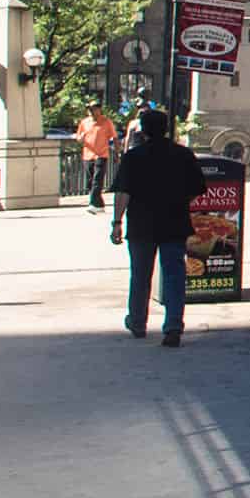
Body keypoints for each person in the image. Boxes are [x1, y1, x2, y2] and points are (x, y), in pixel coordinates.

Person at [107, 108, 208, 347]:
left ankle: (138, 322)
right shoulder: (183, 155)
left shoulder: (133, 157)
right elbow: (197, 189)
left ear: (142, 130)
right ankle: (173, 325)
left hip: (141, 224)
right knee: (174, 274)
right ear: (167, 128)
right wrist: (181, 203)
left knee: (140, 275)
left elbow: (123, 192)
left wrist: (117, 222)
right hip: (174, 222)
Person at [77, 102, 119, 212]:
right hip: (87, 155)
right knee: (90, 181)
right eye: (89, 109)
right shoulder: (84, 122)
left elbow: (114, 137)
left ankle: (93, 204)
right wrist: (80, 138)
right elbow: (78, 137)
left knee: (97, 179)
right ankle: (99, 204)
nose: (91, 112)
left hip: (101, 154)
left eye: (93, 109)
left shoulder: (106, 122)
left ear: (99, 110)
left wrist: (116, 153)